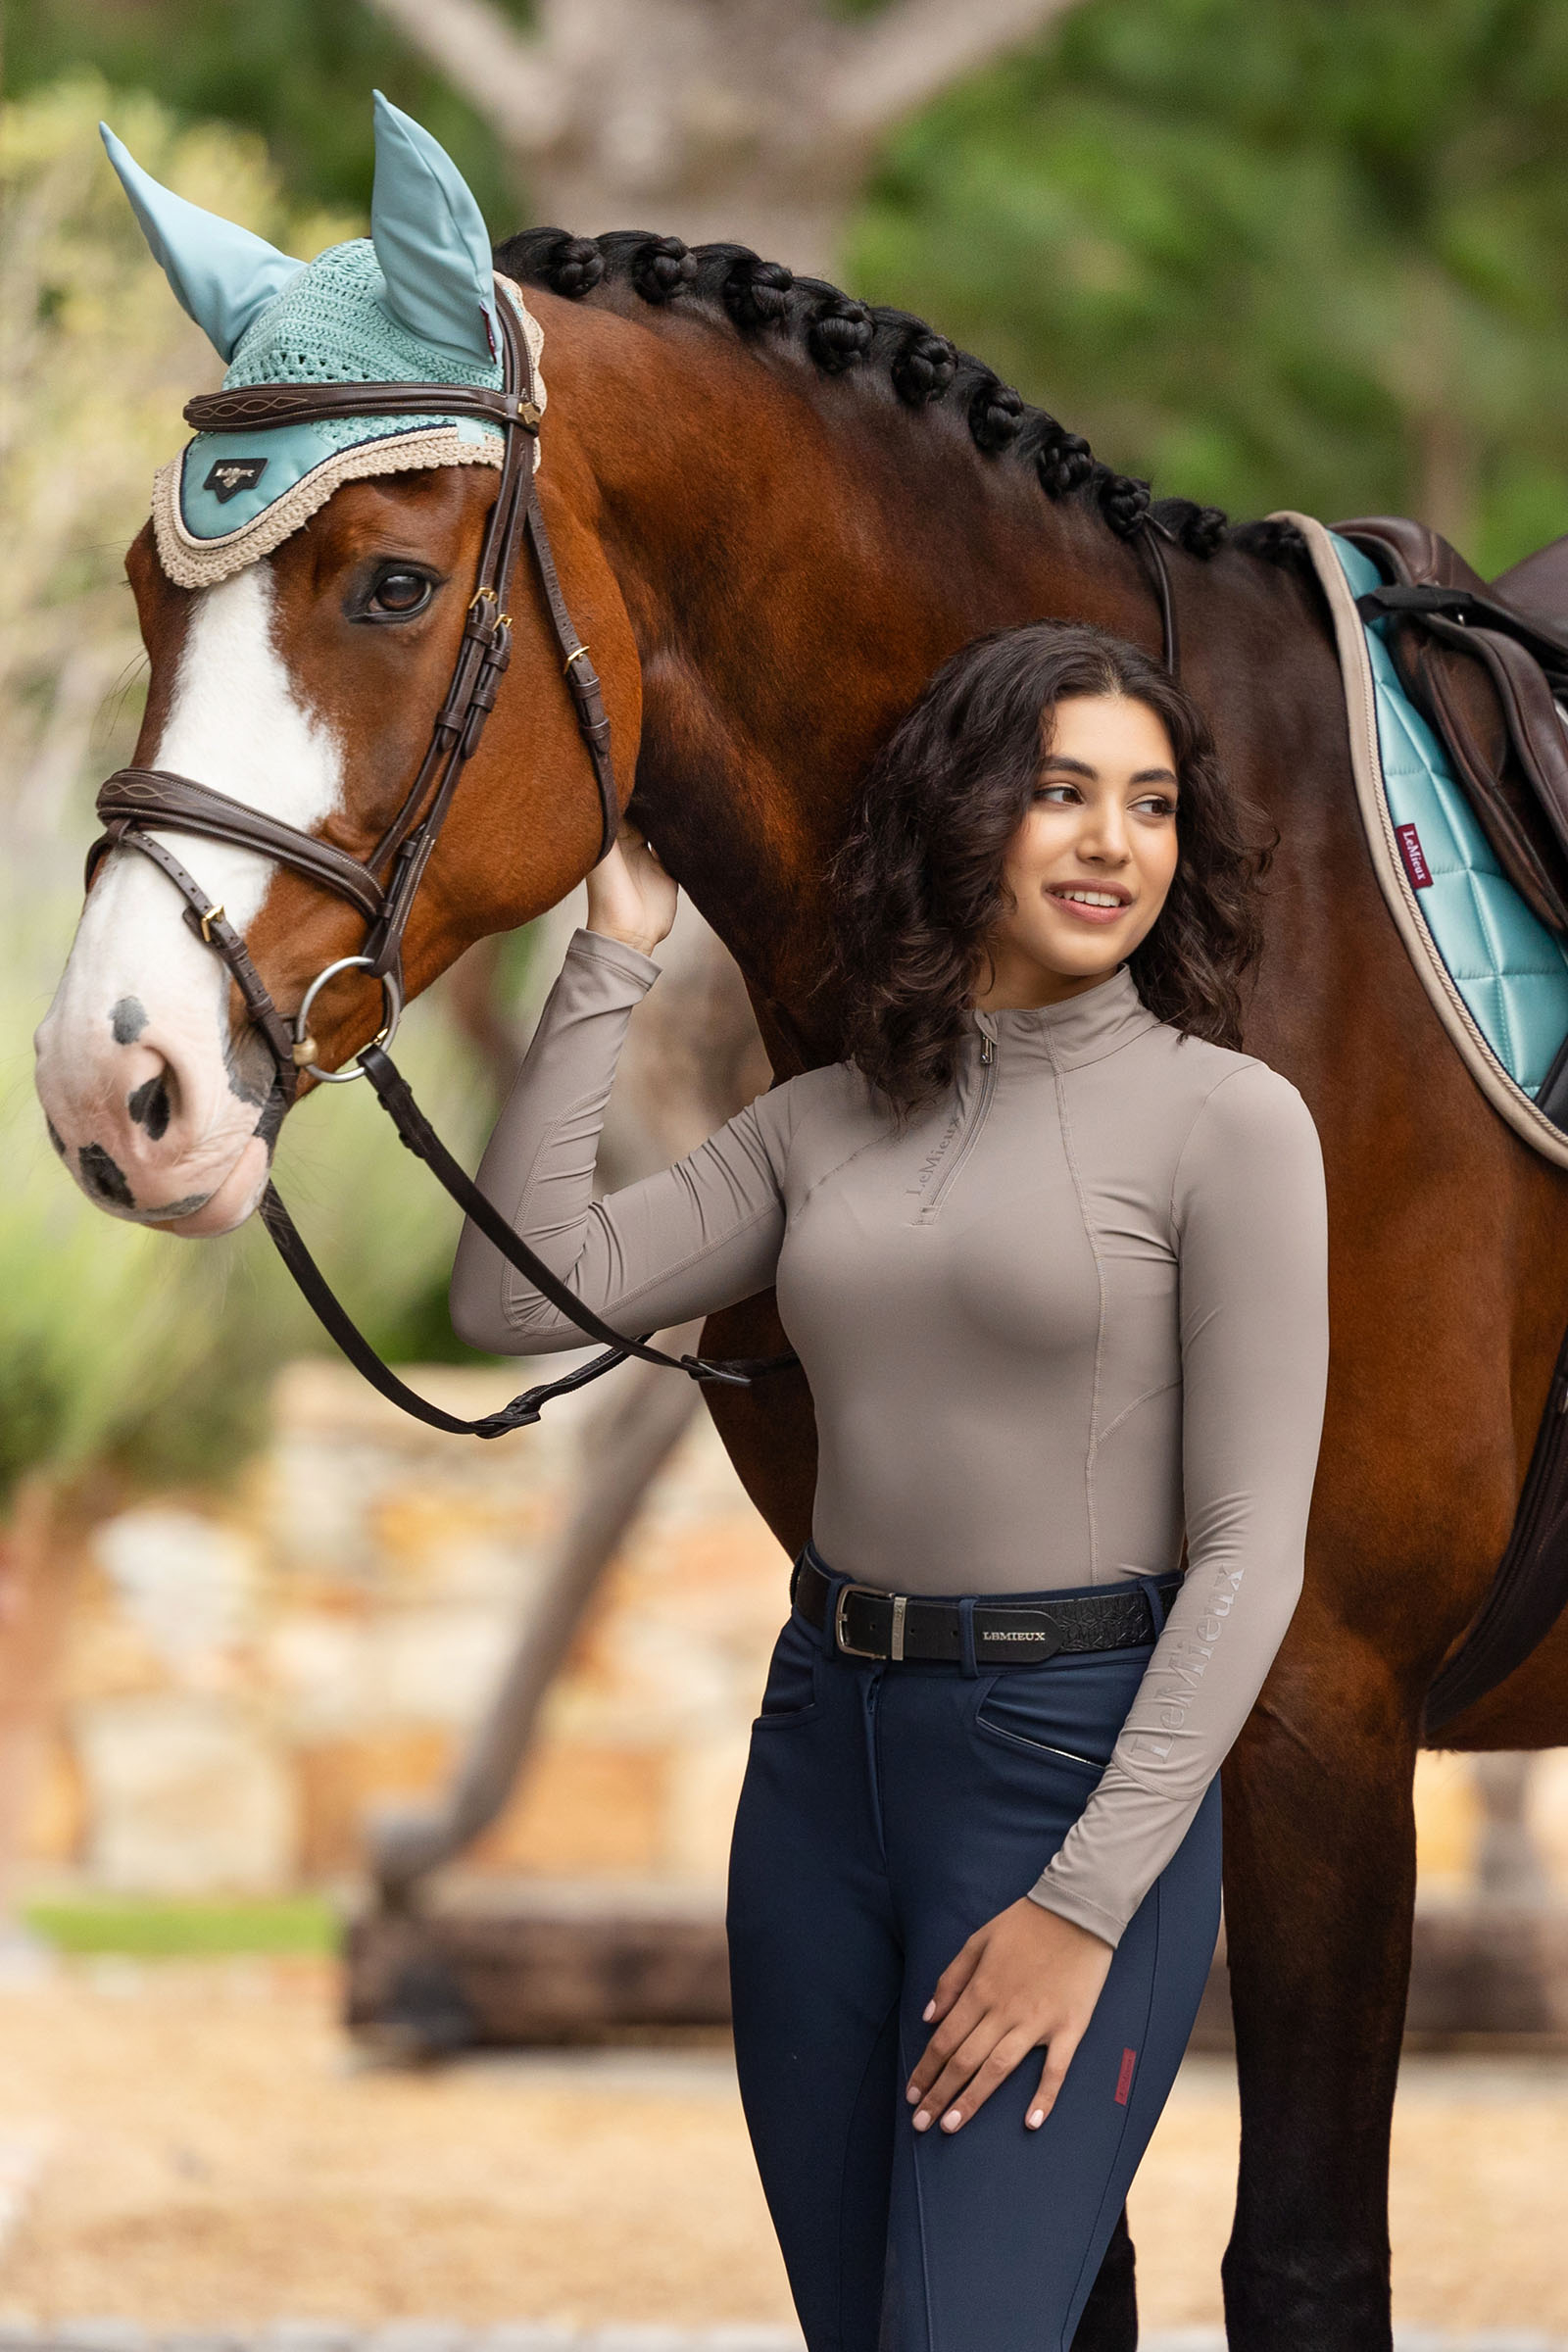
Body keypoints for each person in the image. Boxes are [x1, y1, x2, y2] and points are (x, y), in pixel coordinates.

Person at [450, 620, 1330, 2351]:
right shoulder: (825, 1122)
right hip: (818, 1773)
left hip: (1063, 1776)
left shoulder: (1230, 1126)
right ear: (959, 812)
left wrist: (1084, 1909)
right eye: (1061, 792)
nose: (1111, 841)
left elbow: (1249, 1553)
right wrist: (611, 959)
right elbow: (511, 1293)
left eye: (1150, 806)